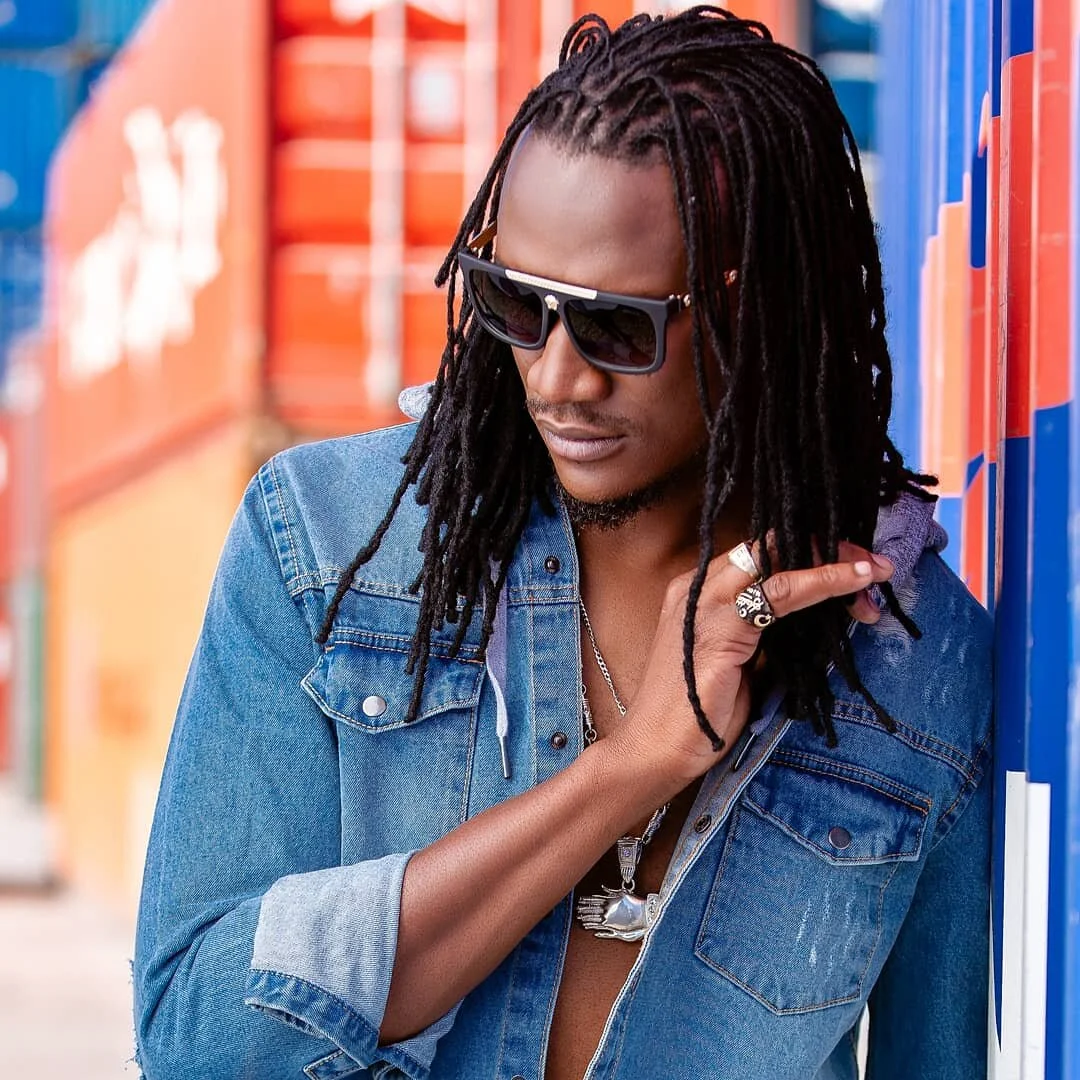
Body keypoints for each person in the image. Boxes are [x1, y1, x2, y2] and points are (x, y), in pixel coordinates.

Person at [133, 9, 992, 1080]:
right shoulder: (328, 547)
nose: (555, 377)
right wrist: (631, 769)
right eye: (513, 305)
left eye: (616, 327)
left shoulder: (915, 664)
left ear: (759, 311)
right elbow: (198, 1041)